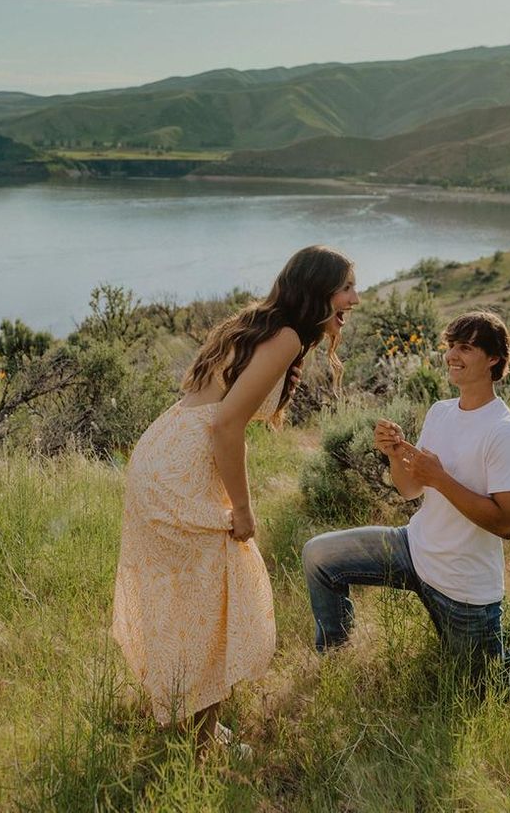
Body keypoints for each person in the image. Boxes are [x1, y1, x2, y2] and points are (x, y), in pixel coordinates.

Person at [113, 245, 359, 755]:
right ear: (318, 290)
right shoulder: (286, 335)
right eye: (347, 288)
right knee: (215, 597)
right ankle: (200, 741)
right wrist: (243, 510)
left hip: (166, 448)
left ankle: (184, 716)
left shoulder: (259, 323)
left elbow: (205, 402)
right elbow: (226, 425)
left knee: (190, 598)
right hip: (181, 469)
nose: (355, 299)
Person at [302, 309, 510, 688]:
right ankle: (335, 665)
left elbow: (507, 524)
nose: (451, 356)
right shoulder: (441, 412)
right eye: (450, 347)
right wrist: (396, 455)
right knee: (319, 556)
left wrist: (441, 479)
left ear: (494, 358)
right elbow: (411, 489)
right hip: (414, 549)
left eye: (465, 347)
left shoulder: (505, 432)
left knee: (486, 691)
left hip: (463, 586)